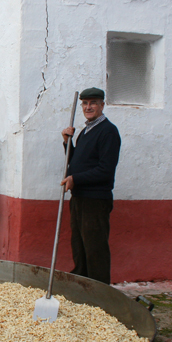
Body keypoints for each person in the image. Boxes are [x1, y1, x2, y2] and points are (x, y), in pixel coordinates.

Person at [61, 87, 121, 284]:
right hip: (79, 197)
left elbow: (105, 170)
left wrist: (75, 179)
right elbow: (75, 163)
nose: (88, 107)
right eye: (85, 103)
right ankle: (82, 286)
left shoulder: (108, 131)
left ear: (102, 105)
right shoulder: (86, 131)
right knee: (79, 246)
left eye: (93, 103)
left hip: (95, 200)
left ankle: (99, 291)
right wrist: (66, 143)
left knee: (95, 249)